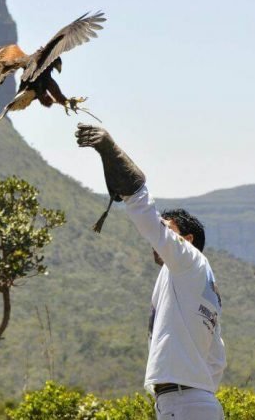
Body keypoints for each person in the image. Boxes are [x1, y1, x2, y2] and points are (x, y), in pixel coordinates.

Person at [76, 123, 226, 420]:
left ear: (187, 240)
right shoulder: (200, 283)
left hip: (184, 404)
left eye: (168, 232)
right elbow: (216, 359)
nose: (158, 241)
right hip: (194, 402)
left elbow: (146, 218)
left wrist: (110, 150)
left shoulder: (189, 260)